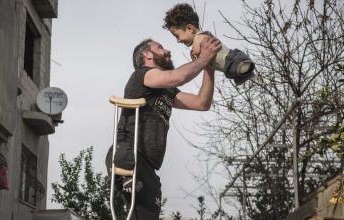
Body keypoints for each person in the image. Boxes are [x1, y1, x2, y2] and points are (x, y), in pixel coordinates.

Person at [105, 36, 221, 220]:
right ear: (147, 55)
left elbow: (201, 103)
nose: (168, 50)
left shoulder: (167, 90)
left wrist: (209, 68)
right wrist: (204, 58)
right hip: (130, 154)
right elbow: (179, 77)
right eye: (160, 47)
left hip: (149, 167)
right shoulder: (143, 74)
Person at [163, 3, 255, 86]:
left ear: (189, 28)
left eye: (177, 36)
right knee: (240, 71)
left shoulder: (199, 37)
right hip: (230, 65)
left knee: (238, 67)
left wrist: (194, 60)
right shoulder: (204, 36)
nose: (178, 41)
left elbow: (196, 52)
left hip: (231, 60)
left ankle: (244, 67)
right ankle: (245, 70)